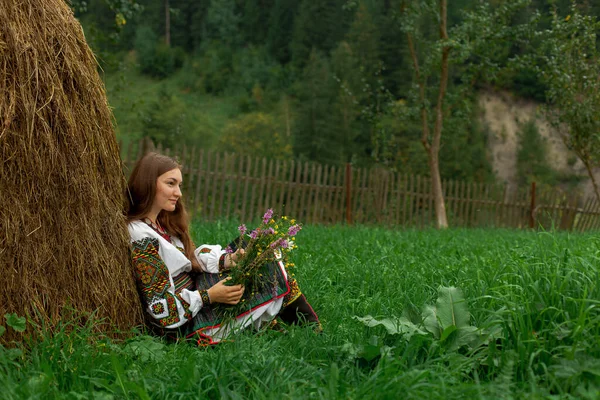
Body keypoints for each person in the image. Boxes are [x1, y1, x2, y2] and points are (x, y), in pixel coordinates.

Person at [125, 152, 320, 344]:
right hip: (187, 323)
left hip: (197, 290)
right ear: (149, 183)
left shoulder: (160, 223)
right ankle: (310, 329)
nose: (179, 193)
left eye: (179, 185)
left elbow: (185, 259)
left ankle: (274, 322)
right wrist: (210, 296)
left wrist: (227, 260)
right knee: (267, 266)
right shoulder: (140, 235)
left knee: (256, 247)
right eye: (171, 183)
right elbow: (160, 309)